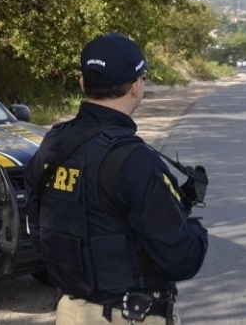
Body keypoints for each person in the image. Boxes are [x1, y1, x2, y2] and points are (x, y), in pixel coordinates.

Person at [24, 33, 208, 325]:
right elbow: (181, 258)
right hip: (128, 316)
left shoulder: (53, 143)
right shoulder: (133, 160)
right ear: (136, 87)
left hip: (70, 312)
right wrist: (195, 230)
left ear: (83, 83)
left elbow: (37, 230)